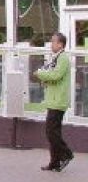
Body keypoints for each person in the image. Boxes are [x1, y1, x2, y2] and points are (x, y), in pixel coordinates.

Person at [35, 33, 74, 172]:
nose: (51, 44)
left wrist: (40, 74)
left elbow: (56, 75)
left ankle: (67, 154)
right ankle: (55, 162)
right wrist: (45, 77)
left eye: (53, 42)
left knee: (51, 132)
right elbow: (53, 77)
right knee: (52, 131)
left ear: (60, 44)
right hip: (54, 100)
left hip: (58, 101)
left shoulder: (63, 58)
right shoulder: (56, 58)